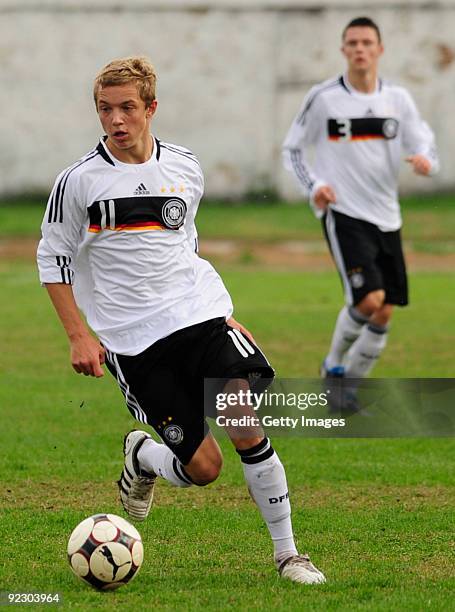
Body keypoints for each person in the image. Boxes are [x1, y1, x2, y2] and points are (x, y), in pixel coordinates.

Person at [37, 56, 325, 585]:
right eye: (105, 109)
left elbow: (183, 244)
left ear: (151, 108)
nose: (116, 120)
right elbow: (52, 258)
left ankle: (289, 556)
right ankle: (144, 456)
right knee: (204, 470)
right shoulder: (78, 182)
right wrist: (79, 335)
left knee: (243, 416)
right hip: (133, 341)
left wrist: (224, 314)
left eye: (127, 108)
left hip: (199, 318)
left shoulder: (184, 167)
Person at [282, 16, 439, 412]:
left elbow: (425, 143)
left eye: (367, 42)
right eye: (352, 43)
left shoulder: (398, 100)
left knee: (385, 310)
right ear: (343, 50)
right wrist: (315, 186)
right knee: (369, 299)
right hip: (345, 212)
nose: (359, 49)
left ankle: (349, 386)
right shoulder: (324, 98)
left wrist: (426, 162)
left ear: (380, 49)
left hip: (388, 215)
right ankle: (332, 366)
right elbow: (293, 149)